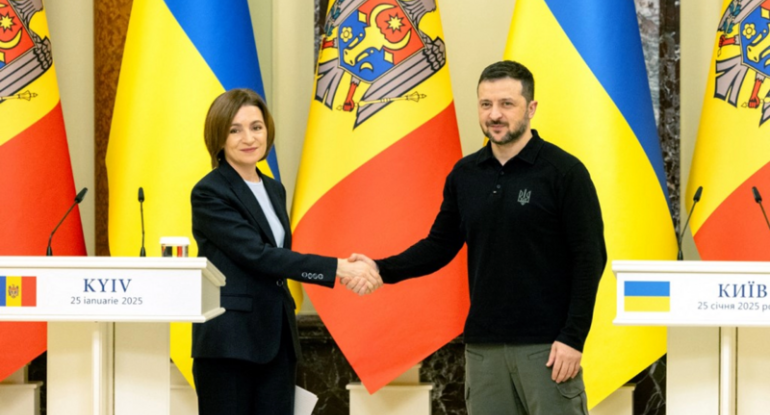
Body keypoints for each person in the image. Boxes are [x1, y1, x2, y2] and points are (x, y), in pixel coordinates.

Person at [351, 61, 607, 414]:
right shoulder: (465, 174)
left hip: (548, 349)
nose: (494, 114)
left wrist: (573, 337)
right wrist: (381, 268)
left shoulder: (564, 172)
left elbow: (590, 258)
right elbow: (439, 246)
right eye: (486, 104)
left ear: (531, 108)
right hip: (483, 349)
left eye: (506, 104)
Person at [190, 88, 382, 415]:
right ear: (218, 137)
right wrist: (338, 268)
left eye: (256, 127)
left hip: (277, 339)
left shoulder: (273, 189)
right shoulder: (210, 192)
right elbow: (258, 255)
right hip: (230, 343)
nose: (249, 138)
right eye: (234, 130)